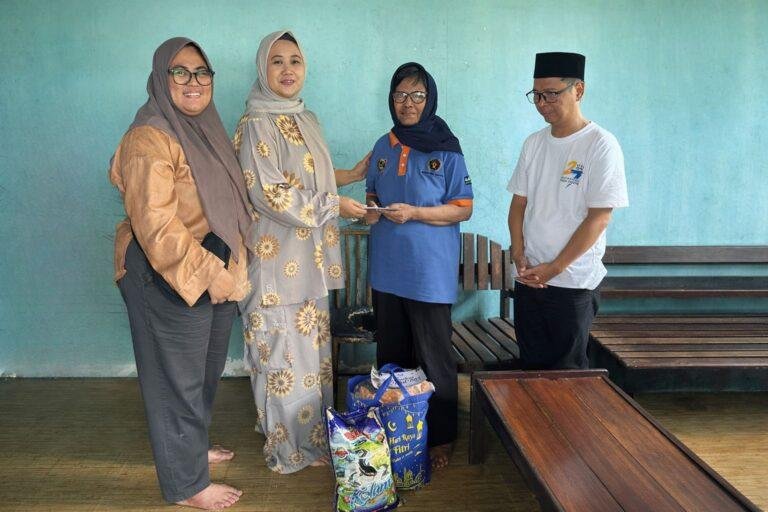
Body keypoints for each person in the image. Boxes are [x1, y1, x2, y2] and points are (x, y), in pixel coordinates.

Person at [109, 37, 251, 510]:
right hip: (164, 272)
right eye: (180, 72)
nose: (194, 82)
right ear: (160, 77)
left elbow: (229, 207)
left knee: (204, 371)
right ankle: (187, 485)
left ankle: (190, 450)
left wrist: (231, 268)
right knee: (175, 382)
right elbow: (156, 226)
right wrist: (212, 274)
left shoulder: (206, 130)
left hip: (214, 263)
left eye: (202, 72)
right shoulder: (148, 136)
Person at [234, 30, 368, 474]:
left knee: (309, 361)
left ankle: (310, 442)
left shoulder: (305, 118)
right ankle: (287, 450)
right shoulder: (256, 123)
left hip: (309, 264)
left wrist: (351, 175)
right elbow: (269, 193)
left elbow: (312, 175)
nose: (288, 70)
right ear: (262, 69)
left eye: (295, 60)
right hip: (274, 266)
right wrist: (335, 205)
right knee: (281, 360)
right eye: (277, 61)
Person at [364, 62, 473, 470]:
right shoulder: (383, 146)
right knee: (392, 354)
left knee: (434, 358)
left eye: (417, 95)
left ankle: (441, 437)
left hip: (429, 273)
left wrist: (415, 213)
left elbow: (463, 209)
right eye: (400, 95)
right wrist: (370, 210)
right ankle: (397, 430)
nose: (407, 104)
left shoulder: (447, 148)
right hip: (387, 270)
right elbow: (372, 195)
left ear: (430, 99)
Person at [507, 52, 629, 370]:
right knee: (530, 370)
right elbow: (518, 204)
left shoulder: (600, 144)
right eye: (537, 95)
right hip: (530, 279)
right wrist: (518, 253)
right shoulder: (534, 143)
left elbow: (599, 217)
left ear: (579, 90)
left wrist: (555, 267)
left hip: (572, 283)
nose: (542, 103)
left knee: (567, 377)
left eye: (551, 94)